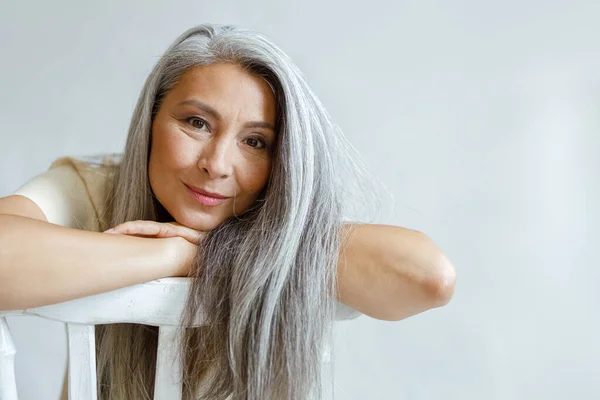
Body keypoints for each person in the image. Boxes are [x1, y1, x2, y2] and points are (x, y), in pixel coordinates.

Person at [0, 24, 456, 400]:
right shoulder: (95, 188)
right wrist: (172, 256)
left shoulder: (276, 213)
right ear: (150, 122)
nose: (216, 165)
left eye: (255, 142)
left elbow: (427, 278)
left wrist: (211, 252)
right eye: (196, 123)